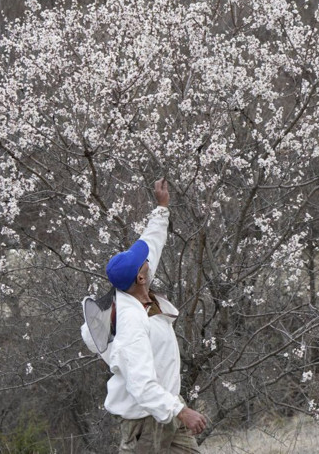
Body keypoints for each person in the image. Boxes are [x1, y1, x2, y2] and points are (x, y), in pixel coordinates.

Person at [81, 178, 207, 453]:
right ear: (141, 276)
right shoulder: (131, 322)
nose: (149, 260)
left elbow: (151, 245)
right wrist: (182, 411)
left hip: (168, 411)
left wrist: (161, 209)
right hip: (145, 424)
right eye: (144, 262)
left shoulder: (135, 288)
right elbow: (140, 383)